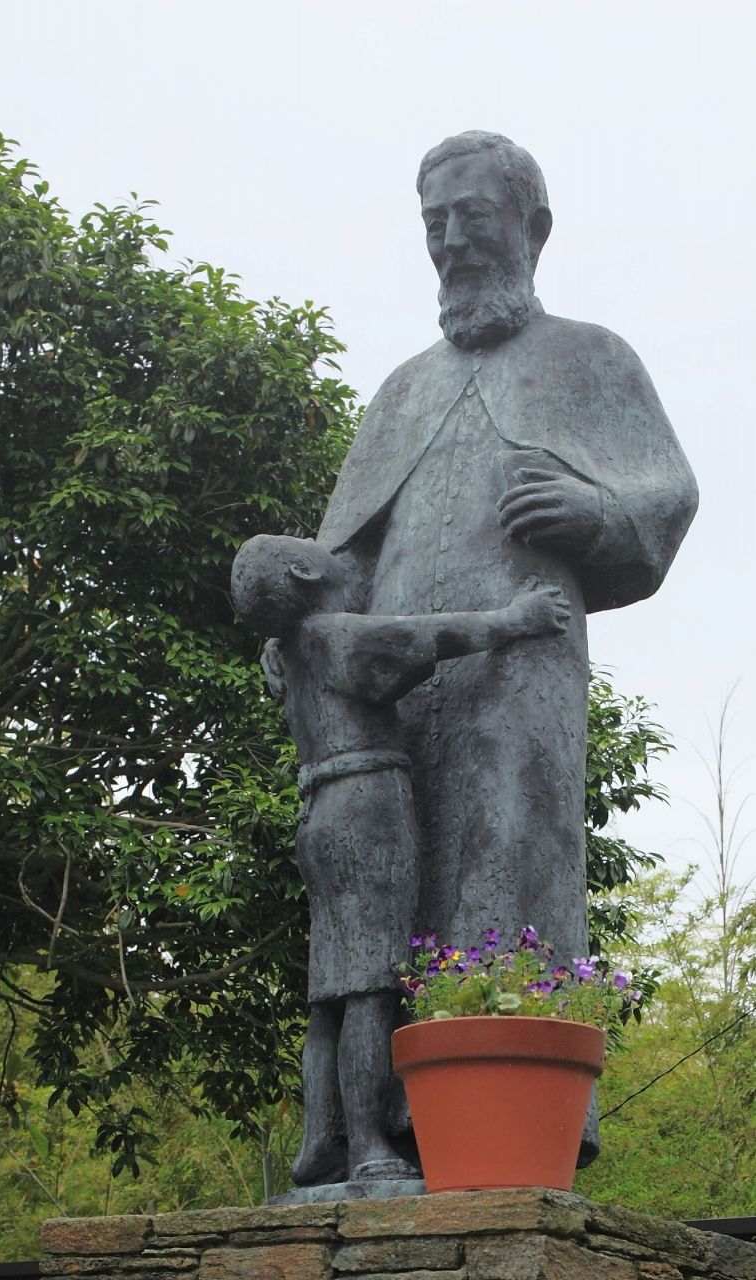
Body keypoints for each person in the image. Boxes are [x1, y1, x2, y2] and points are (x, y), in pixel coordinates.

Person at [317, 131, 699, 1164]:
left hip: (520, 676)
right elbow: (339, 556)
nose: (449, 242)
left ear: (533, 227)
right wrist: (302, 637)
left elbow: (666, 494)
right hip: (392, 696)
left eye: (471, 216)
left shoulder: (592, 357)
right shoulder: (399, 390)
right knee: (384, 903)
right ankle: (370, 1131)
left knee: (508, 862)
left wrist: (595, 511)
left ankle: (498, 1123)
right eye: (432, 222)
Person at [231, 532, 570, 1185]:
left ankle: (320, 1140)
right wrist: (514, 619)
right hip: (364, 804)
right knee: (370, 981)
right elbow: (423, 636)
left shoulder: (286, 652)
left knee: (330, 991)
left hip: (320, 809)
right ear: (304, 570)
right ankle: (366, 1145)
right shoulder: (330, 634)